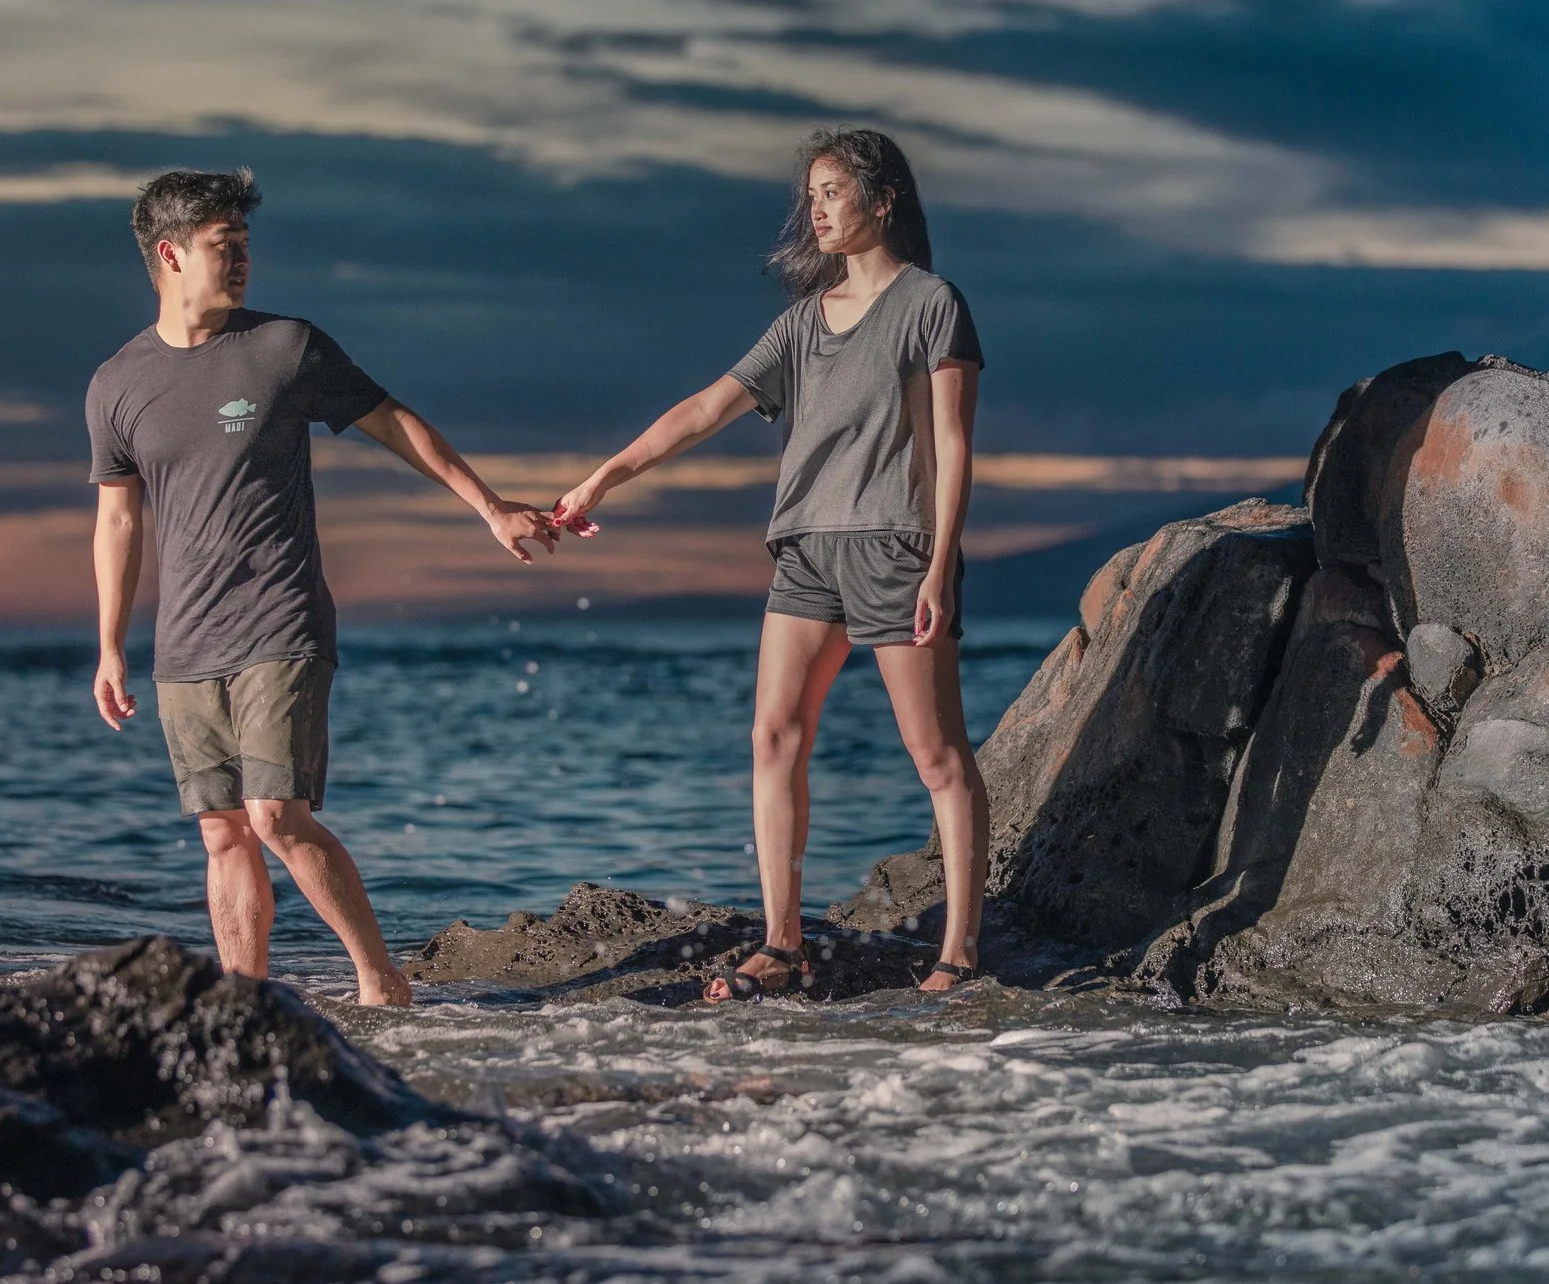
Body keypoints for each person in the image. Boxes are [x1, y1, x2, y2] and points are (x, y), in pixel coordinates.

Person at [87, 168, 558, 1007]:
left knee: (274, 814)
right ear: (169, 254)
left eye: (244, 244)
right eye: (222, 246)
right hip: (184, 647)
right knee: (222, 831)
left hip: (281, 621)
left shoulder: (284, 348)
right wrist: (109, 646)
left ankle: (383, 984)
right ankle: (246, 1004)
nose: (241, 261)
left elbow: (396, 421)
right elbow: (119, 521)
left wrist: (489, 506)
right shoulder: (117, 384)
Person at [555, 129, 988, 999]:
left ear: (883, 199)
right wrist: (604, 477)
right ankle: (782, 944)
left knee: (936, 753)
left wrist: (940, 567)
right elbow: (705, 409)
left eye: (833, 192)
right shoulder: (801, 322)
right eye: (813, 196)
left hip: (893, 548)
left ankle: (960, 953)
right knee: (773, 735)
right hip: (804, 551)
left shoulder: (932, 304)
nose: (816, 209)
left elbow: (954, 445)